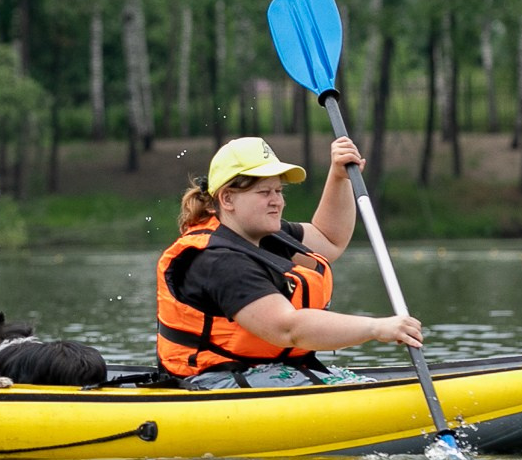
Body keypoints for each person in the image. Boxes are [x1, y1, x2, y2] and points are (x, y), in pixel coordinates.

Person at [154, 135, 424, 388]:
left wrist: (339, 176)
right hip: (210, 384)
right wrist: (377, 328)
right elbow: (288, 329)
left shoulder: (262, 233)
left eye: (279, 191)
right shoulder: (218, 261)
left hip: (259, 370)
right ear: (227, 199)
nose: (277, 202)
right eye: (264, 193)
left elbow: (329, 239)